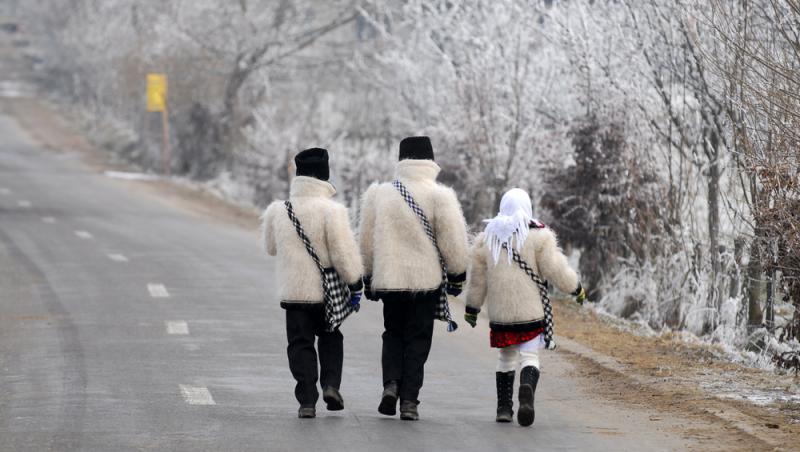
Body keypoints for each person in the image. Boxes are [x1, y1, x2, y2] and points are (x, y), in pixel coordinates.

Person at [359, 136, 469, 421]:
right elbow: (454, 242)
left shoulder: (380, 194)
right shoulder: (440, 196)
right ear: (430, 162)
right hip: (426, 282)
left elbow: (367, 241)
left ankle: (391, 385)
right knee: (418, 340)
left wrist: (368, 275)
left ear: (402, 160)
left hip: (390, 280)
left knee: (393, 333)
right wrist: (457, 275)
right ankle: (409, 401)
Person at [464, 188, 586, 427]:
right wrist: (575, 288)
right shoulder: (539, 237)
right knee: (529, 355)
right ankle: (527, 388)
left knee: (505, 358)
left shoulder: (487, 239)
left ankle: (503, 409)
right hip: (530, 314)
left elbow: (478, 279)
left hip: (501, 316)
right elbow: (556, 270)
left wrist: (472, 308)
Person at [262, 147, 364, 419]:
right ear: (324, 176)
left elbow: (270, 248)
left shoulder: (278, 210)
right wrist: (355, 284)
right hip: (325, 293)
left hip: (294, 291)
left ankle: (307, 400)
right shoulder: (332, 211)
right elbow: (344, 254)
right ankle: (331, 385)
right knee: (331, 336)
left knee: (299, 343)